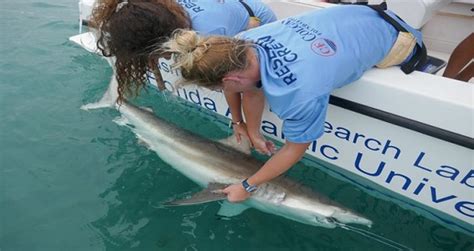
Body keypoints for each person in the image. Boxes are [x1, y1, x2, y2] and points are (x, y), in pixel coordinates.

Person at [161, 4, 424, 202]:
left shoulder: (299, 91)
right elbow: (252, 89)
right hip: (362, 13)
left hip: (402, 40)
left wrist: (247, 186)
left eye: (220, 87)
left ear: (231, 77)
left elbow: (294, 149)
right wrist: (252, 131)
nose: (223, 91)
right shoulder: (244, 42)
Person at [90, 0, 277, 153]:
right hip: (228, 17)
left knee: (242, 77)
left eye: (154, 54)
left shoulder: (209, 33)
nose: (157, 59)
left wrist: (249, 129)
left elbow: (249, 87)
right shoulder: (160, 15)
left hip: (261, 26)